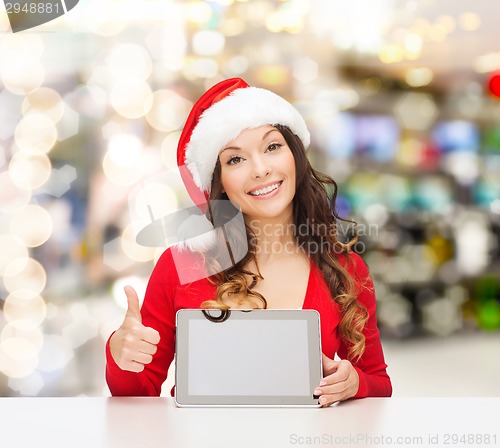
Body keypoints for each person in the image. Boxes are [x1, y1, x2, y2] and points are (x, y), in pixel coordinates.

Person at [106, 78, 392, 406]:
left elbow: (379, 382)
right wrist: (120, 353)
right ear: (220, 183)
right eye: (235, 159)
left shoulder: (345, 267)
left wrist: (355, 383)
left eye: (272, 147)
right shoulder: (182, 264)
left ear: (295, 156)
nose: (260, 170)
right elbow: (136, 392)